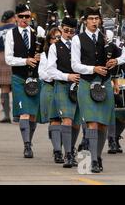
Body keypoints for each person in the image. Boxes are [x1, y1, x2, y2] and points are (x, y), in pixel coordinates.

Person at [71, 7, 125, 173]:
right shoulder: (77, 39)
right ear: (85, 21)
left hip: (105, 83)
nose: (94, 22)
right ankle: (93, 160)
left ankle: (98, 155)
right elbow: (75, 65)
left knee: (103, 124)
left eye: (96, 19)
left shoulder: (108, 37)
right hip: (87, 83)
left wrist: (116, 61)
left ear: (100, 20)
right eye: (91, 19)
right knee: (92, 123)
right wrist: (93, 69)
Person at [4, 4, 42, 158]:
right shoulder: (10, 34)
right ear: (16, 18)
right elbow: (8, 59)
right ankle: (26, 145)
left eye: (27, 16)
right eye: (21, 16)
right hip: (19, 77)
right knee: (24, 113)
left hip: (36, 77)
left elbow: (48, 52)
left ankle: (29, 141)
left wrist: (41, 57)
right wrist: (26, 61)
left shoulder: (38, 32)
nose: (24, 19)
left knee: (33, 115)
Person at [47, 17, 81, 167]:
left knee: (77, 123)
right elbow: (50, 71)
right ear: (61, 29)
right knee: (66, 119)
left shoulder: (80, 45)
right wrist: (68, 76)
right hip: (63, 85)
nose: (68, 34)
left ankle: (71, 150)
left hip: (80, 86)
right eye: (66, 30)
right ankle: (67, 155)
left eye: (72, 31)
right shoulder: (55, 47)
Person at [40, 26, 65, 164]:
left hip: (66, 87)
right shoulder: (45, 54)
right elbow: (42, 73)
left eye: (59, 37)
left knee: (68, 121)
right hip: (50, 87)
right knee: (55, 119)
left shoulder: (69, 52)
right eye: (54, 37)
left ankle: (67, 148)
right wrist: (55, 76)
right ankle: (57, 151)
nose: (57, 40)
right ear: (49, 40)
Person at [0, 10, 16, 123]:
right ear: (13, 18)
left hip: (2, 57)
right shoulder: (17, 29)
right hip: (16, 57)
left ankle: (6, 115)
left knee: (4, 88)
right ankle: (18, 115)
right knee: (17, 87)